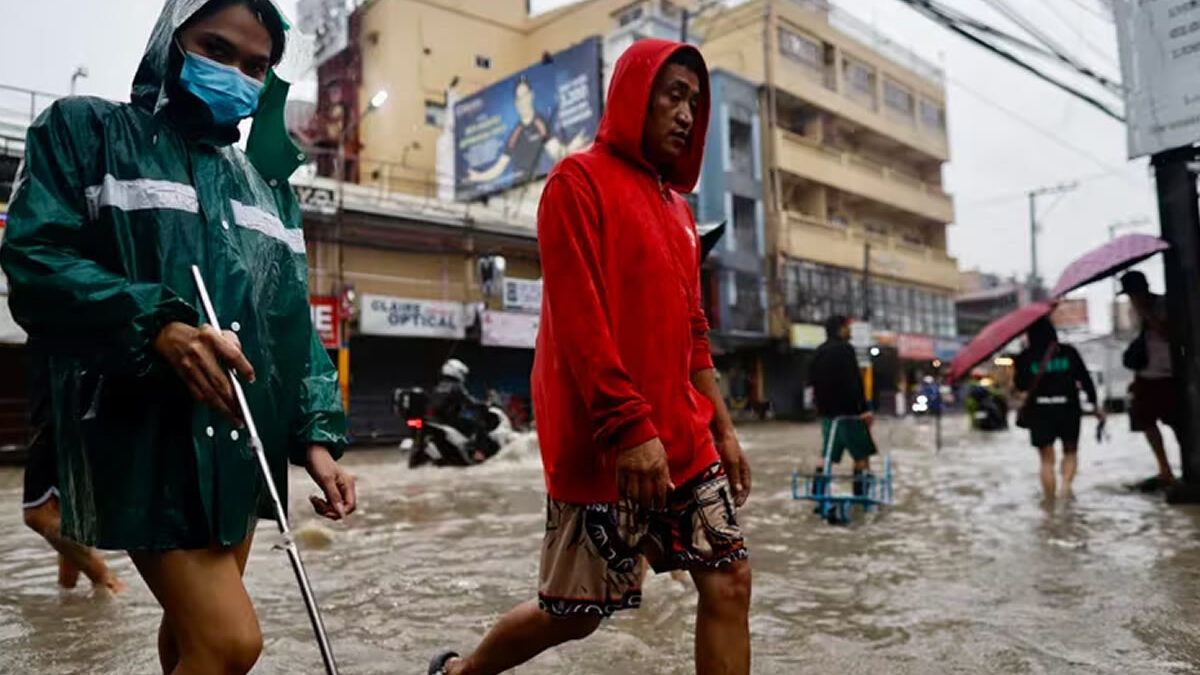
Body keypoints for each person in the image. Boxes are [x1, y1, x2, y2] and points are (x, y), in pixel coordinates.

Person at [0, 2, 356, 673]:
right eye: (216, 50)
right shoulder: (84, 133)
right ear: (172, 42)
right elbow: (35, 259)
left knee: (191, 642)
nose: (237, 75)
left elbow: (289, 327)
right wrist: (157, 324)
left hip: (240, 450)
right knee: (230, 642)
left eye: (256, 66)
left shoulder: (269, 190)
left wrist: (316, 437)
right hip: (140, 437)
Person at [430, 40, 752, 675]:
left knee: (731, 578)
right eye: (672, 94)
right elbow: (581, 324)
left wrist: (724, 426)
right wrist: (630, 429)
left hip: (683, 439)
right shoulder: (575, 183)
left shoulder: (680, 212)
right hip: (606, 441)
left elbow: (693, 329)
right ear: (634, 96)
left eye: (695, 100)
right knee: (575, 615)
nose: (687, 114)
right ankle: (462, 673)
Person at [21, 346, 125, 594]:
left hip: (62, 411)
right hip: (71, 406)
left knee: (39, 514)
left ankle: (106, 580)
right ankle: (69, 594)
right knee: (68, 512)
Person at [1014, 317, 1102, 499]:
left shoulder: (1025, 357)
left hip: (1040, 411)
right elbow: (1085, 380)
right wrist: (1094, 405)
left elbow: (1020, 385)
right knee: (1070, 452)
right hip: (1068, 409)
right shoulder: (1068, 352)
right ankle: (1065, 489)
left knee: (1046, 461)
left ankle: (1049, 502)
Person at [1120, 271, 1180, 491]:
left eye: (1134, 293)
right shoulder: (1135, 312)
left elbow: (1168, 334)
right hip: (1146, 376)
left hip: (1170, 374)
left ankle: (1187, 466)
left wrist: (1148, 314)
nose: (1132, 299)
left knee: (1177, 422)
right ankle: (1165, 469)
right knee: (1144, 420)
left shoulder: (1165, 304)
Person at [466, 76, 587, 185]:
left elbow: (557, 153)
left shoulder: (540, 124)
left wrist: (572, 147)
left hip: (537, 184)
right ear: (516, 103)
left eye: (525, 95)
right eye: (519, 98)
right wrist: (478, 177)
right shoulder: (515, 132)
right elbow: (499, 167)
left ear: (531, 95)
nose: (523, 102)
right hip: (517, 188)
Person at [808, 315, 875, 495]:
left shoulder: (818, 352)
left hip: (827, 415)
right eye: (847, 327)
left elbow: (812, 383)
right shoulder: (846, 350)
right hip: (851, 414)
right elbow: (854, 382)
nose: (850, 331)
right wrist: (865, 410)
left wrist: (820, 409)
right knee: (861, 455)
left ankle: (818, 493)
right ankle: (861, 496)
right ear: (840, 329)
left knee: (827, 454)